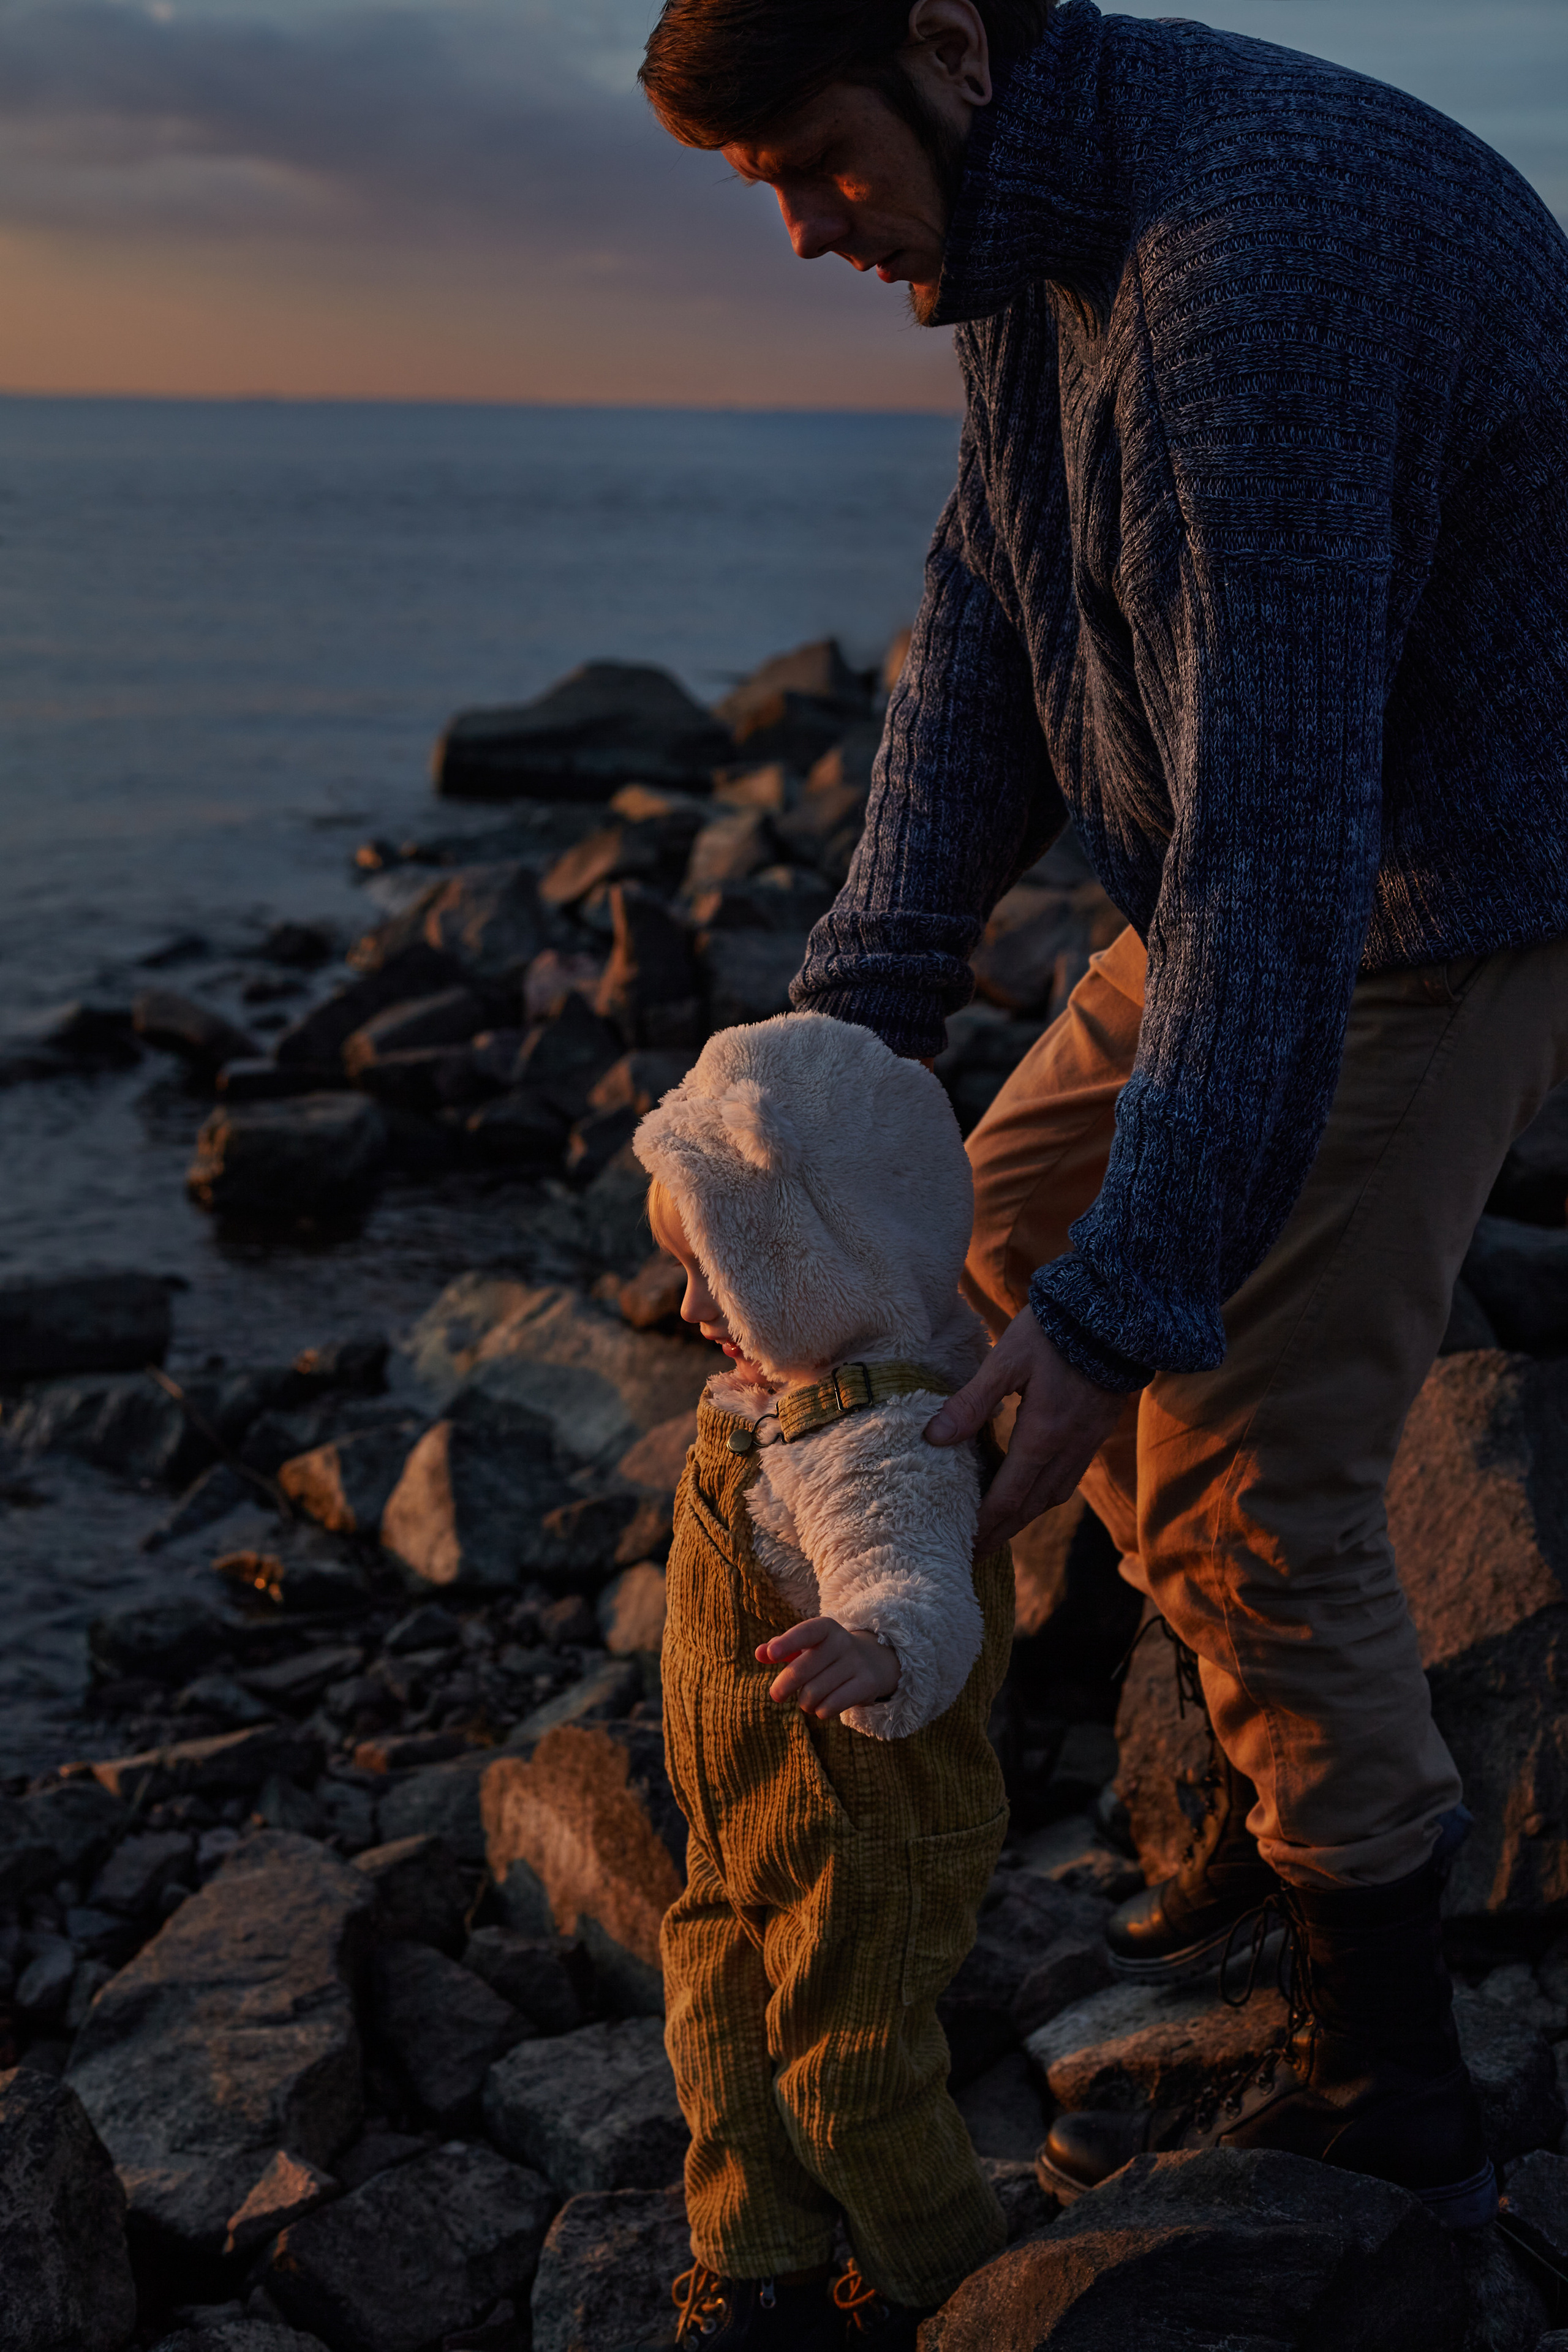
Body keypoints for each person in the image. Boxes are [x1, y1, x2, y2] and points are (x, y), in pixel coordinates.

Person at [640, 0, 1568, 2229]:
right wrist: (823, 1069)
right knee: (965, 1266)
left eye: (817, 167)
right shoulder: (1038, 230)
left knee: (1246, 1469)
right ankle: (1195, 1785)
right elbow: (983, 622)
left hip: (1420, 900)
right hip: (1239, 891)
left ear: (948, 44)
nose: (796, 233)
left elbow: (1280, 836)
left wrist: (1140, 1297)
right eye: (762, 186)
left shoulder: (1257, 254)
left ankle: (1387, 2063)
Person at [624, 1011, 1014, 2351]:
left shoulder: (883, 1428)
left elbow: (913, 1571)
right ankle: (760, 2268)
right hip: (743, 1814)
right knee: (720, 2028)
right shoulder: (775, 1391)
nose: (686, 1313)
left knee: (850, 2067)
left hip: (866, 1833)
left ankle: (946, 2288)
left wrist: (881, 1643)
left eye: (715, 1278)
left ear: (818, 1264)